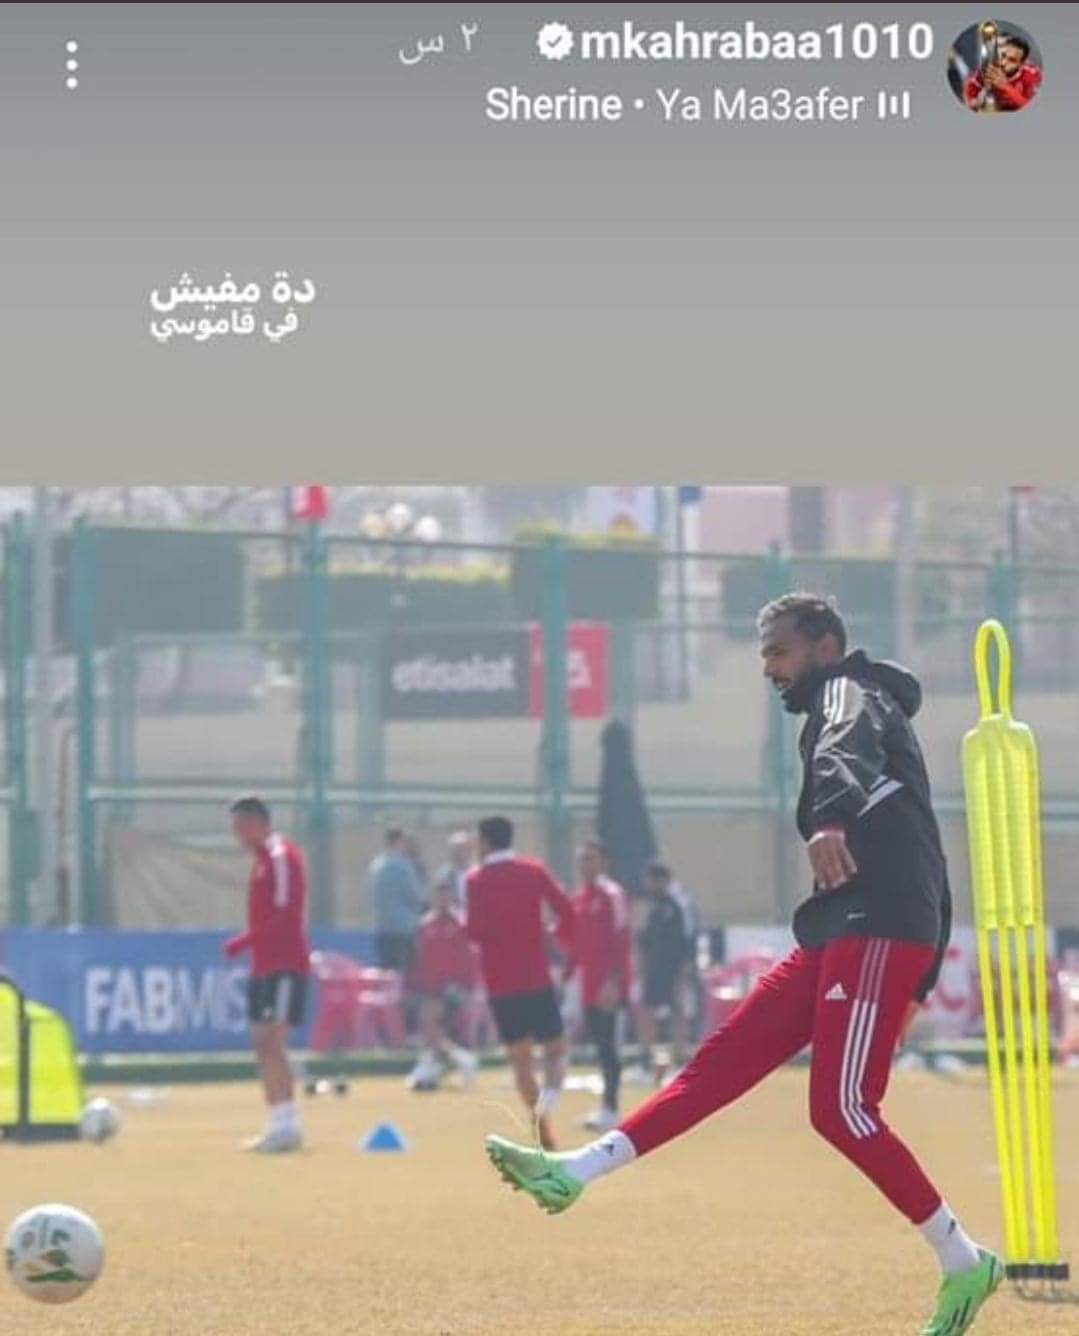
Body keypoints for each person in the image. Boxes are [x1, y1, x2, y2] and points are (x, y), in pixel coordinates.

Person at [486, 593, 1003, 1336]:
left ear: (825, 647)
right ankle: (575, 1171)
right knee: (718, 1065)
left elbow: (846, 755)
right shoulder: (853, 703)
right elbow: (926, 847)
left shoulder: (847, 694)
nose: (768, 669)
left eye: (778, 653)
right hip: (845, 929)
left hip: (879, 926)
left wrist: (830, 820)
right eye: (763, 655)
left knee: (843, 1109)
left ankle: (963, 1260)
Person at [466, 815, 575, 1150]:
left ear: (486, 842)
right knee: (556, 1048)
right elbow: (566, 910)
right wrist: (553, 937)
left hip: (500, 983)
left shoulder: (476, 880)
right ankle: (551, 1095)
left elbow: (474, 932)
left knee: (521, 1060)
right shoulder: (533, 871)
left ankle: (543, 1126)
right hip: (535, 976)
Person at [225, 796, 311, 1154]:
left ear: (259, 823)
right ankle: (277, 1122)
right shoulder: (261, 861)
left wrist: (246, 940)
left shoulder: (280, 856)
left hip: (285, 964)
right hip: (264, 965)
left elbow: (288, 914)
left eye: (241, 827)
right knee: (262, 1042)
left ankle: (289, 1126)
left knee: (273, 1040)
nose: (237, 835)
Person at [564, 839, 632, 1132]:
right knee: (600, 1044)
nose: (584, 865)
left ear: (604, 862)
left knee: (609, 1045)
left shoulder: (612, 895)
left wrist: (614, 980)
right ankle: (606, 1106)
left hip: (608, 984)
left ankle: (612, 1108)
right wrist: (569, 972)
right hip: (588, 982)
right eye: (581, 859)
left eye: (590, 859)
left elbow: (621, 938)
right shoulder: (580, 897)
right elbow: (577, 941)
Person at [407, 872, 481, 1092]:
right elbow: (419, 959)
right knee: (429, 1026)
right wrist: (414, 984)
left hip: (454, 987)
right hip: (430, 987)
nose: (442, 899)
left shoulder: (461, 923)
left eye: (446, 894)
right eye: (439, 894)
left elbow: (469, 959)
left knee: (429, 1020)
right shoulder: (425, 925)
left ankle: (434, 1063)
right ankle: (459, 1060)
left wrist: (467, 986)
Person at [635, 860, 692, 1082]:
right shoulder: (653, 906)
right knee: (647, 1011)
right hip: (654, 970)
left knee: (678, 1013)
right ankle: (648, 1061)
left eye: (653, 880)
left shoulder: (677, 905)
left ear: (663, 881)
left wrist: (683, 973)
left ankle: (680, 1061)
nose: (649, 885)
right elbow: (645, 939)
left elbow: (686, 941)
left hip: (674, 970)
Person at [369, 825, 425, 974]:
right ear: (399, 841)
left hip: (382, 928)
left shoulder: (376, 866)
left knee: (386, 975)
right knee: (404, 975)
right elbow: (415, 897)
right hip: (403, 931)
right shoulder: (403, 866)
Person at [965, 31, 1042, 112]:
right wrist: (977, 103)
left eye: (1012, 60)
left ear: (1021, 64)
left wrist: (1006, 86)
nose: (1003, 63)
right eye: (1003, 55)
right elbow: (970, 97)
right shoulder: (988, 69)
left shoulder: (1033, 75)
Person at [438, 830, 473, 907]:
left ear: (469, 851)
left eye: (462, 849)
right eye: (455, 850)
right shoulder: (444, 875)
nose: (459, 853)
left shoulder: (476, 872)